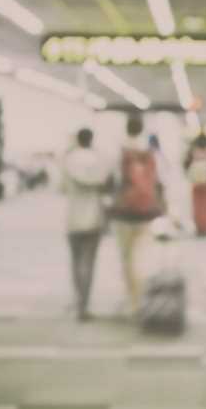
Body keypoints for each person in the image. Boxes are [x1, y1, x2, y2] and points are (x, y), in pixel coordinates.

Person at [111, 115, 163, 314]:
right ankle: (142, 297)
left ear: (126, 128)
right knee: (142, 254)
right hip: (146, 210)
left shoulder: (120, 151)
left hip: (124, 212)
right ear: (141, 129)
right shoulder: (150, 151)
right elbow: (160, 180)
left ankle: (132, 300)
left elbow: (113, 179)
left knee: (126, 257)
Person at [63, 128, 110, 322]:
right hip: (93, 217)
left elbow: (60, 186)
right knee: (88, 263)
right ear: (92, 139)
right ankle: (84, 304)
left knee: (75, 261)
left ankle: (78, 299)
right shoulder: (99, 159)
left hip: (73, 217)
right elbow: (106, 184)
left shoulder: (69, 159)